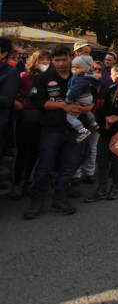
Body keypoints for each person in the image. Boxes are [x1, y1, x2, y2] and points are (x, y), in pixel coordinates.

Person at [24, 45, 87, 219]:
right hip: (51, 128)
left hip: (74, 129)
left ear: (71, 58)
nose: (60, 63)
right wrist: (62, 105)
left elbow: (91, 100)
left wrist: (82, 108)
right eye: (57, 60)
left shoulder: (79, 76)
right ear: (52, 61)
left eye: (64, 59)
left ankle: (60, 199)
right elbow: (36, 101)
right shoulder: (44, 77)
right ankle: (37, 201)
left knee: (68, 167)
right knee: (44, 167)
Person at [85, 61, 118, 202]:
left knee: (117, 158)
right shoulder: (112, 88)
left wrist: (113, 129)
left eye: (112, 72)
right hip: (107, 128)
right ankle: (102, 188)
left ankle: (115, 187)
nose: (110, 75)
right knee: (102, 158)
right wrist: (103, 126)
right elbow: (104, 109)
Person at [11, 50, 50, 199]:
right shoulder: (23, 77)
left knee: (35, 152)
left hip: (40, 119)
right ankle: (16, 184)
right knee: (21, 152)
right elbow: (11, 93)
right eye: (42, 59)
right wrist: (17, 104)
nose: (45, 62)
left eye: (47, 59)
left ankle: (29, 181)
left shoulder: (48, 78)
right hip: (22, 118)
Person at [65, 55, 100, 143]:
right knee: (86, 110)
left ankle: (82, 130)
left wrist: (68, 101)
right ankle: (93, 123)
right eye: (72, 67)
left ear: (85, 69)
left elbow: (74, 91)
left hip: (81, 98)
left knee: (70, 118)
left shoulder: (80, 79)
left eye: (77, 67)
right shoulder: (88, 77)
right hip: (88, 99)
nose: (74, 69)